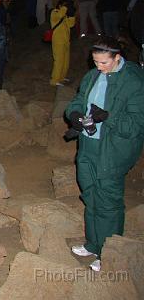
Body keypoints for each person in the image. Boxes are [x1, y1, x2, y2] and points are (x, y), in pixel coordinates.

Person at [65, 37, 144, 272]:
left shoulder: (133, 81)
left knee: (108, 199)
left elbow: (136, 124)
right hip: (88, 144)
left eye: (104, 63)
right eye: (95, 61)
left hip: (112, 149)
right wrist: (76, 114)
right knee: (90, 193)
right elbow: (78, 100)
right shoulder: (92, 76)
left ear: (117, 57)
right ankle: (93, 243)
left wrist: (108, 117)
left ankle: (107, 253)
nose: (99, 67)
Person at [50, 0, 77, 86]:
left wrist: (72, 15)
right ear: (59, 5)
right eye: (64, 6)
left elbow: (71, 24)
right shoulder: (54, 12)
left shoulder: (64, 16)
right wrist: (65, 7)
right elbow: (59, 15)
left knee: (65, 61)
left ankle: (61, 77)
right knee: (59, 60)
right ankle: (54, 80)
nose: (66, 8)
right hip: (58, 41)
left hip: (66, 41)